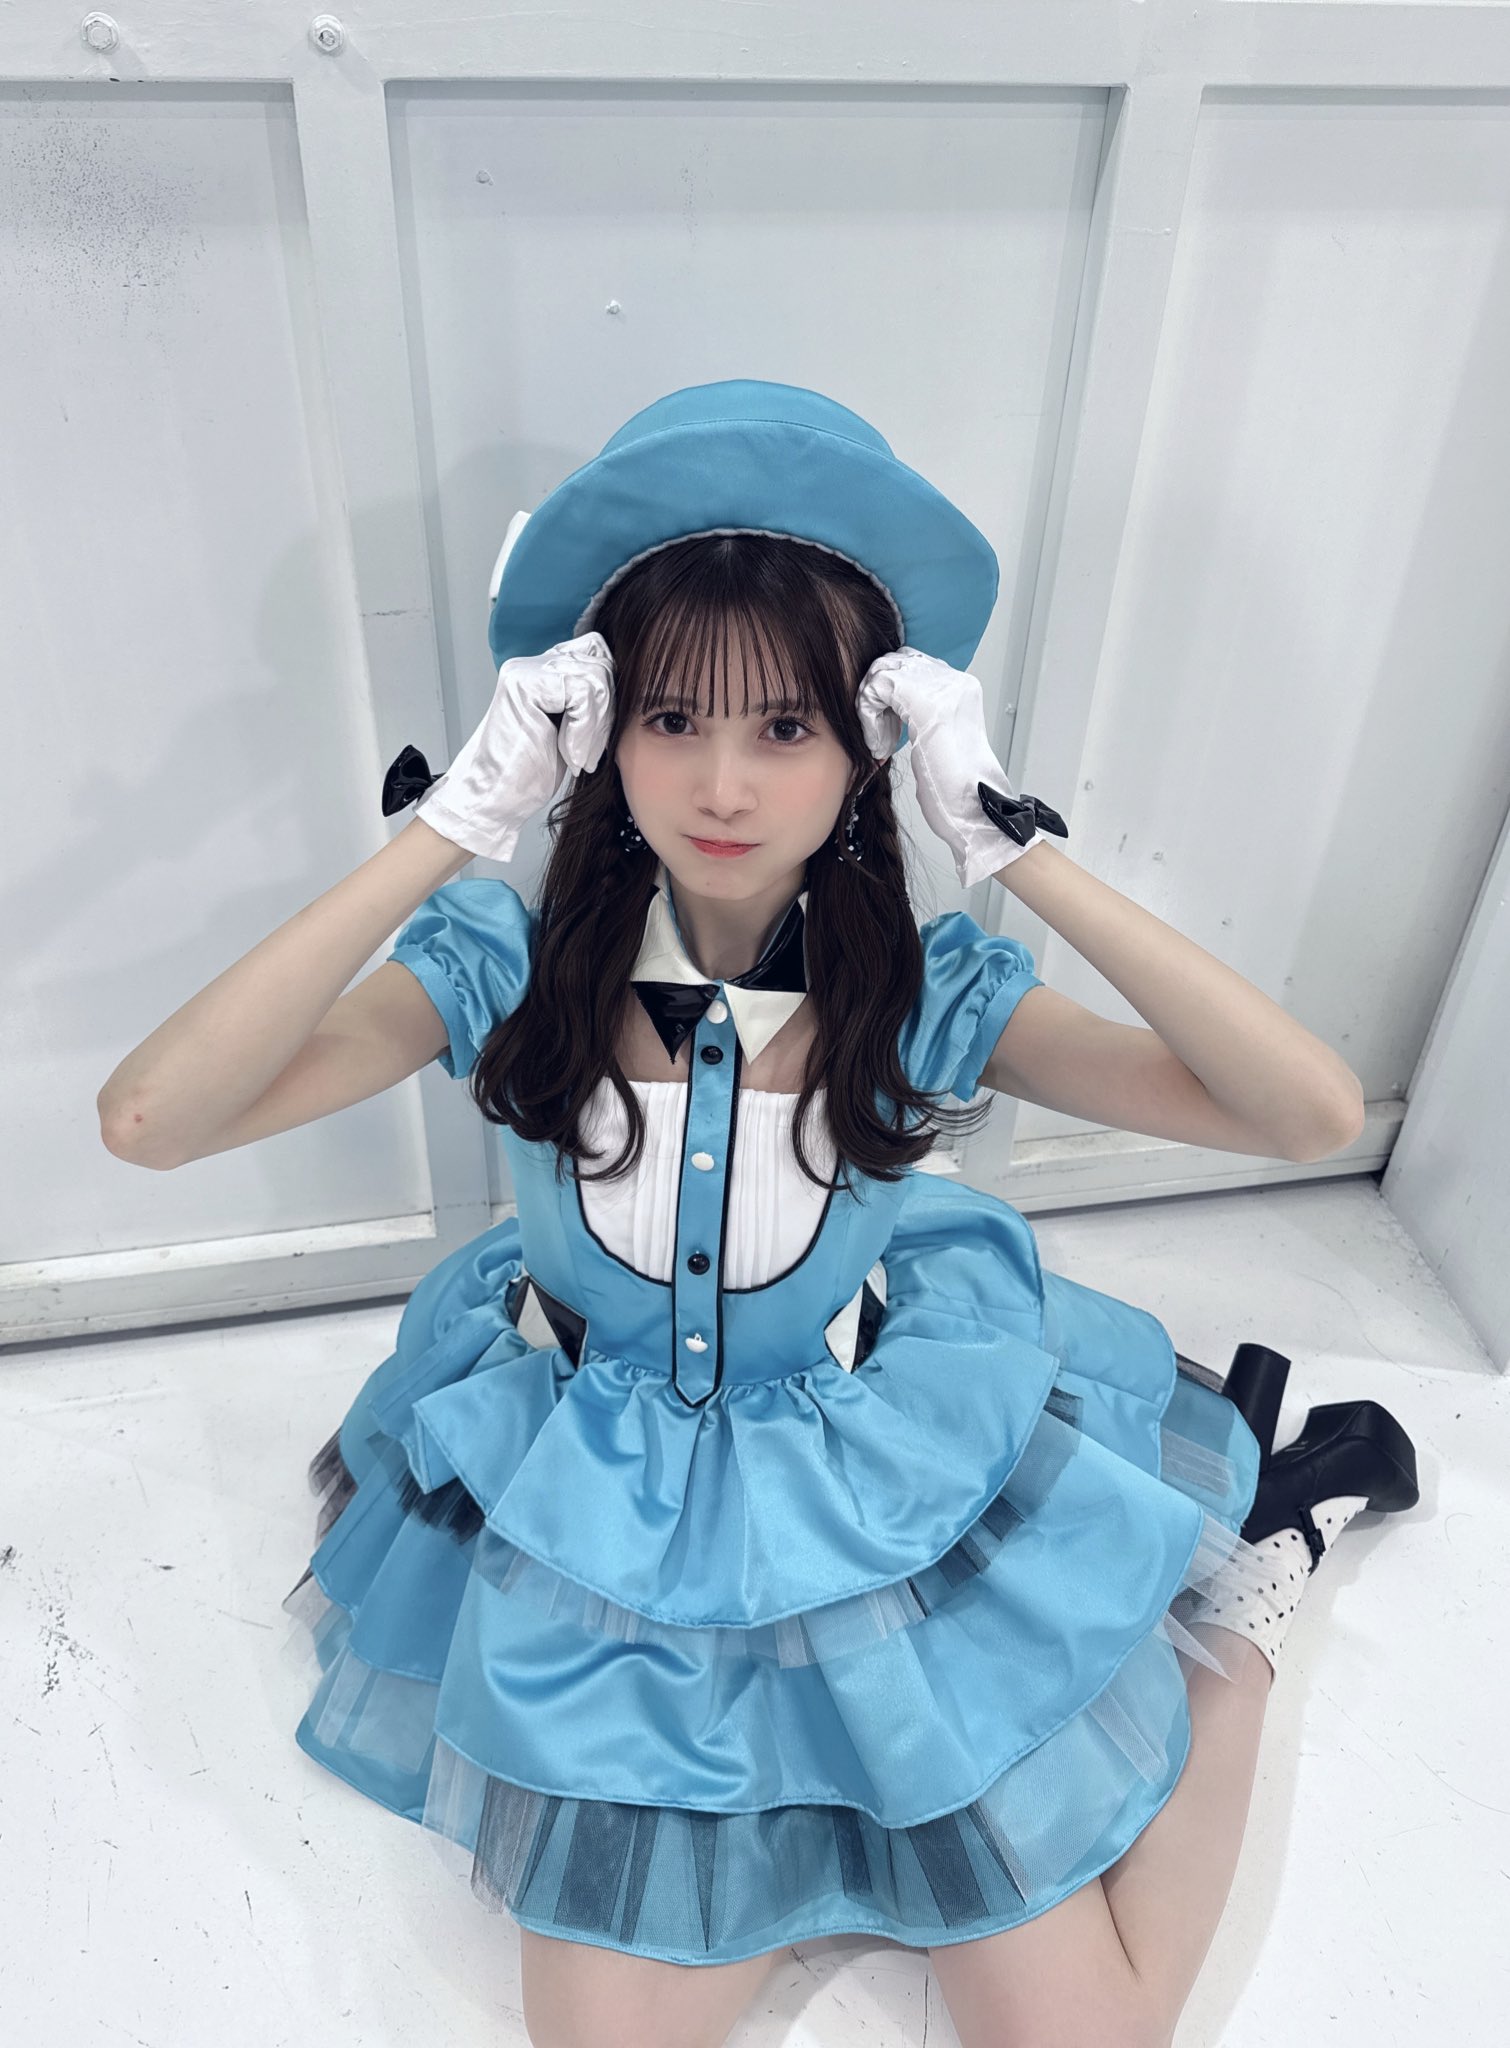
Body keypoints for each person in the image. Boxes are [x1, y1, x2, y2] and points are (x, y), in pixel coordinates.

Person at [98, 381, 1419, 2048]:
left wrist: (1008, 845)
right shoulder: (503, 968)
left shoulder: (922, 991)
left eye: (786, 728)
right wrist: (449, 831)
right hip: (600, 1511)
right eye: (671, 718)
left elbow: (1303, 1114)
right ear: (598, 731)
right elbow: (151, 1122)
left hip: (864, 1494)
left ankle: (1256, 1588)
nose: (721, 784)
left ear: (866, 747)